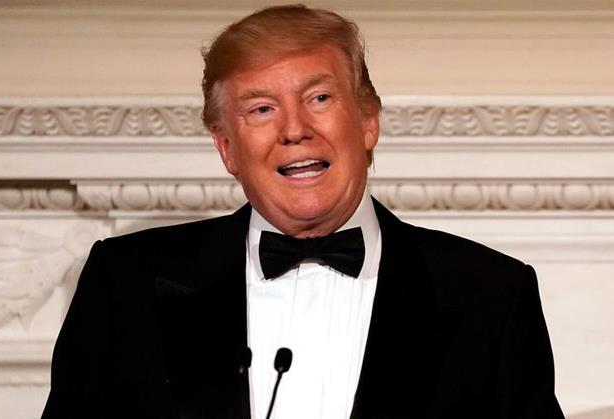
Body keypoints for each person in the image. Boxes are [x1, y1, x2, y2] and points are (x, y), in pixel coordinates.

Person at [42, 5, 565, 419]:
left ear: (368, 122)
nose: (294, 130)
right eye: (262, 109)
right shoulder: (124, 283)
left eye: (319, 98)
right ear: (226, 148)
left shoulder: (491, 295)